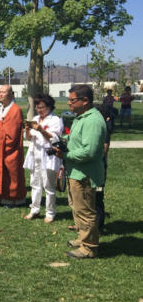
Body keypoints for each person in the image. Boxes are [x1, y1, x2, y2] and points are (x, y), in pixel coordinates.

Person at [54, 84, 106, 259]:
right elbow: (76, 139)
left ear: (85, 101)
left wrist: (66, 154)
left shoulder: (93, 121)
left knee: (85, 211)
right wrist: (64, 141)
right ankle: (82, 238)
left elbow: (89, 151)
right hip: (75, 172)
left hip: (85, 174)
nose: (68, 103)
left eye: (72, 100)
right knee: (77, 208)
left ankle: (89, 247)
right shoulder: (81, 117)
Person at [23, 94, 63, 223]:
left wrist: (41, 130)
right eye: (37, 107)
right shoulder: (35, 118)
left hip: (48, 155)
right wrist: (27, 130)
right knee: (34, 183)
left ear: (49, 106)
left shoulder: (55, 120)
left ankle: (50, 212)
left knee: (48, 185)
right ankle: (34, 209)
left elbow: (54, 139)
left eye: (41, 107)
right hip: (35, 154)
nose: (39, 110)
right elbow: (29, 138)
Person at [0, 85, 26, 207]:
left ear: (11, 94)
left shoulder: (15, 110)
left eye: (4, 92)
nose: (1, 94)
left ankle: (12, 199)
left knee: (11, 174)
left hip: (10, 149)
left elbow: (11, 134)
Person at [94, 103, 113, 235]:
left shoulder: (104, 127)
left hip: (99, 168)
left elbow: (104, 150)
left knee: (97, 197)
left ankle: (99, 227)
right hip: (93, 167)